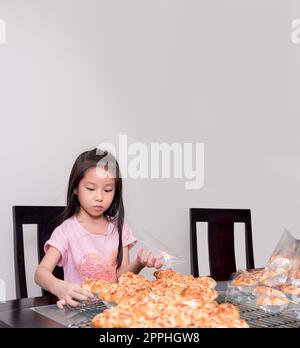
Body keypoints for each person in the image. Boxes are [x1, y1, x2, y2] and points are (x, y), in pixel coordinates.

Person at [34, 148, 163, 308]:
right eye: (90, 188)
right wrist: (60, 287)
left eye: (108, 190)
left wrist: (139, 263)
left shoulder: (120, 228)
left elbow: (121, 278)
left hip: (113, 311)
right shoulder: (66, 231)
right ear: (75, 188)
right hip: (77, 311)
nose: (100, 197)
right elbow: (41, 273)